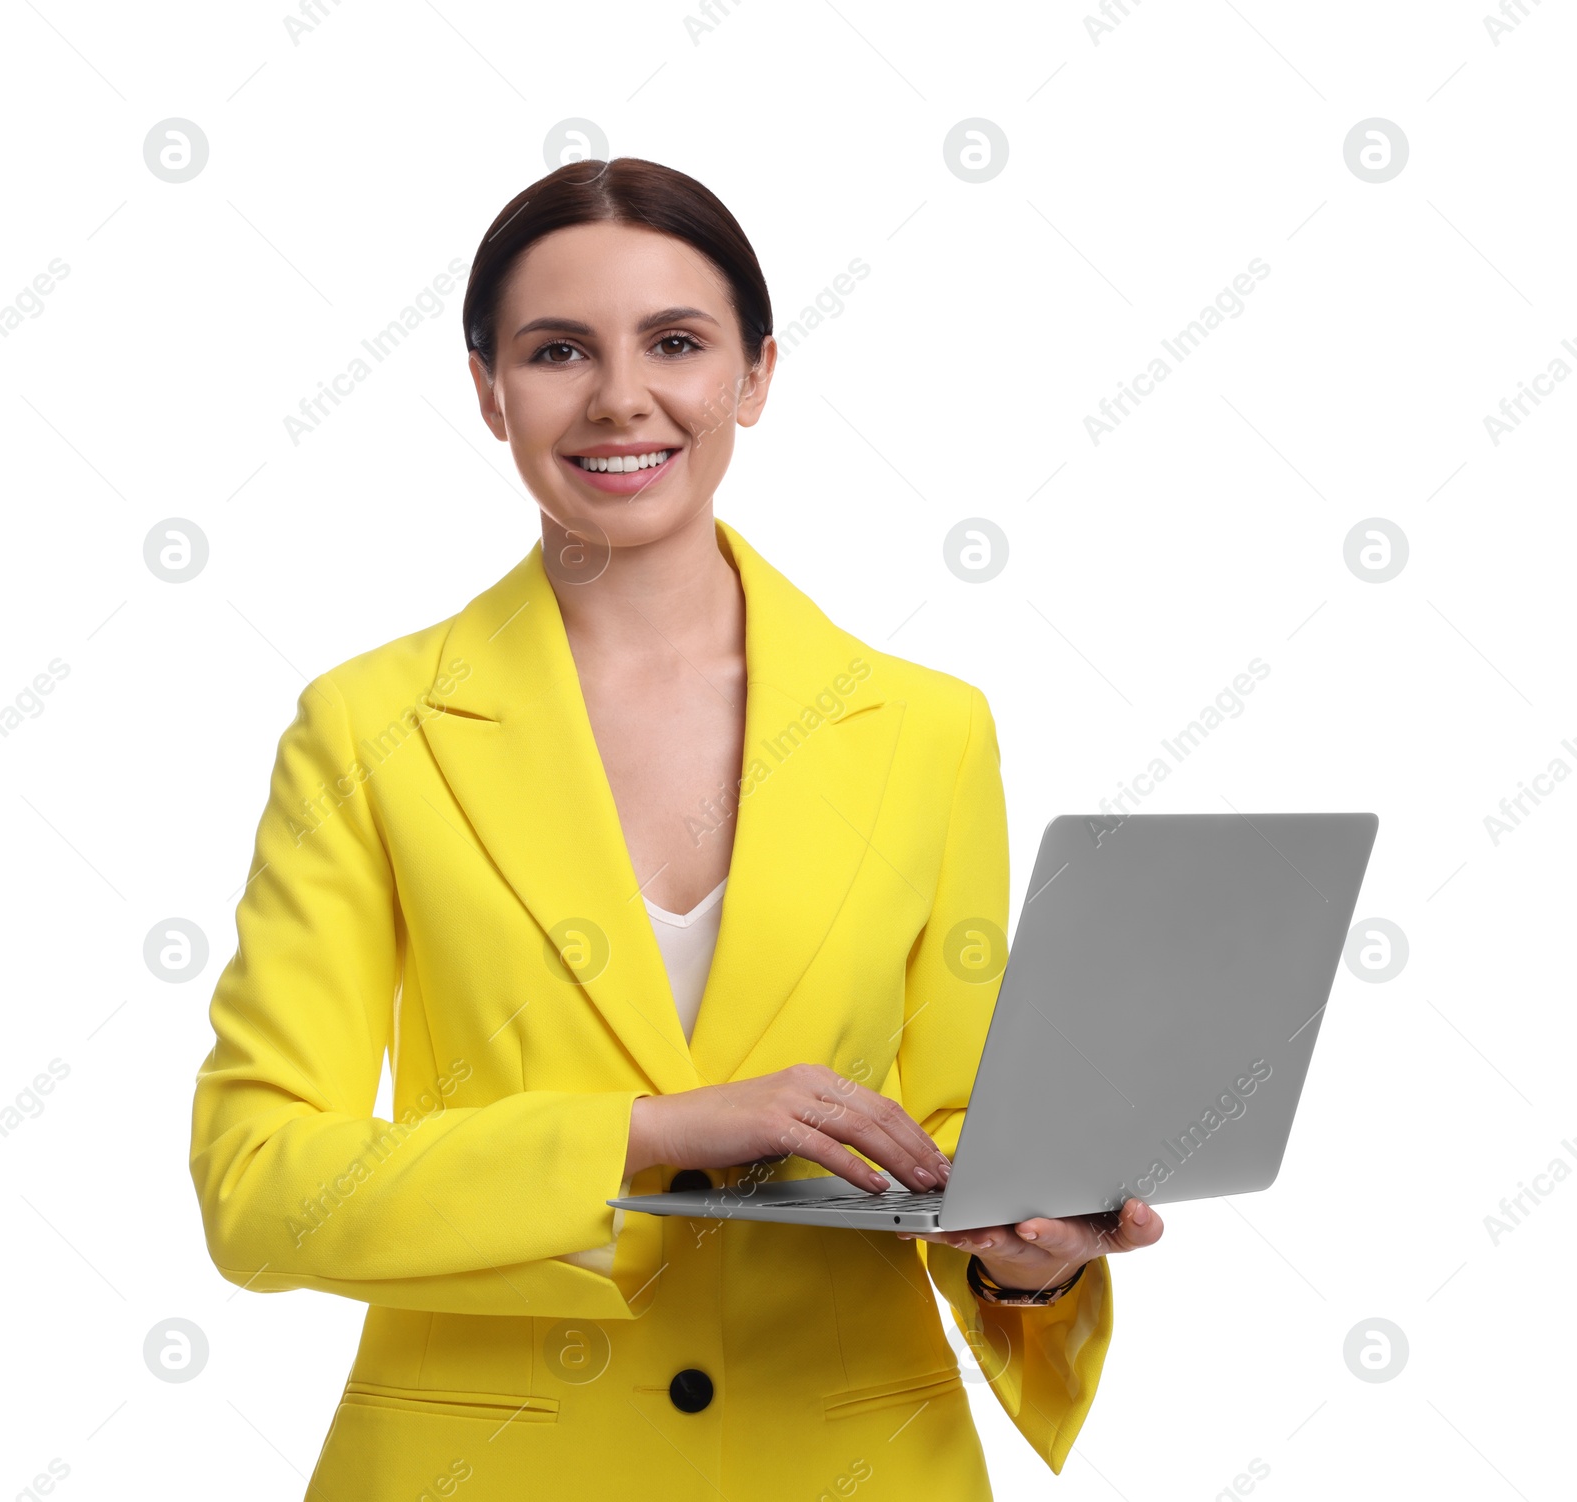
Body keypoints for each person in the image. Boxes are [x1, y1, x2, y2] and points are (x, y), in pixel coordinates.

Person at [189, 156, 1163, 1502]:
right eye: (556, 350)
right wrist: (648, 1132)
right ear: (487, 390)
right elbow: (259, 1184)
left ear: (755, 377)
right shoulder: (368, 729)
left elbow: (947, 1145)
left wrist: (1025, 1252)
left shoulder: (928, 730)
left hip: (849, 1456)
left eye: (677, 343)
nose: (619, 396)